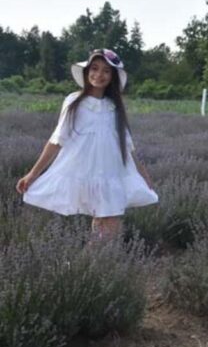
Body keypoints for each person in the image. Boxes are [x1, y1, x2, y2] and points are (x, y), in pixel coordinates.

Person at [15, 49, 158, 240]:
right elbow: (57, 140)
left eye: (106, 71)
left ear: (113, 76)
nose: (99, 75)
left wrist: (144, 177)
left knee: (106, 227)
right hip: (85, 173)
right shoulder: (74, 101)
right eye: (95, 68)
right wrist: (33, 174)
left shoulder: (114, 107)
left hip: (111, 174)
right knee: (109, 229)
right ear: (87, 71)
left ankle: (94, 259)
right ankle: (92, 259)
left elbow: (128, 146)